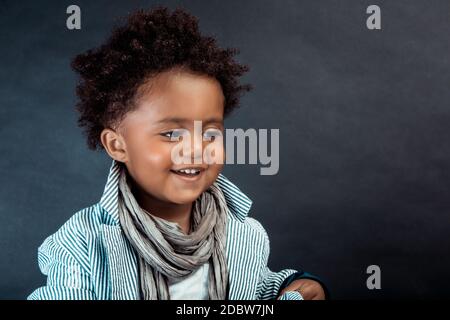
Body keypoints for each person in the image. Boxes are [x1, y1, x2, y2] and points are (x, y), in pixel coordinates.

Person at [28, 6, 328, 300]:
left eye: (210, 133)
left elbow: (255, 288)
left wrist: (292, 286)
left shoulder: (245, 234)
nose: (196, 149)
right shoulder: (83, 244)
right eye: (171, 134)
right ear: (117, 145)